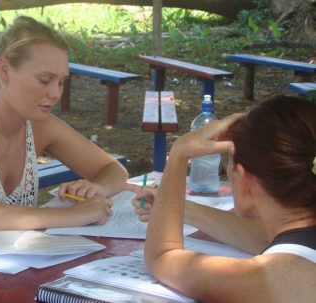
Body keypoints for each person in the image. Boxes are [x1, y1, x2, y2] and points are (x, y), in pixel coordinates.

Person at [0, 16, 128, 244]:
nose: (55, 94)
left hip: (12, 270)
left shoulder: (40, 126)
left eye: (61, 82)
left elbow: (113, 169)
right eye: (44, 80)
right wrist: (70, 215)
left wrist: (97, 188)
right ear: (5, 70)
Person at [132, 95, 316, 302]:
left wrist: (179, 152)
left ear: (244, 179)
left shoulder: (271, 278)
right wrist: (179, 207)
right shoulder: (297, 245)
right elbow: (262, 238)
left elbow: (162, 256)